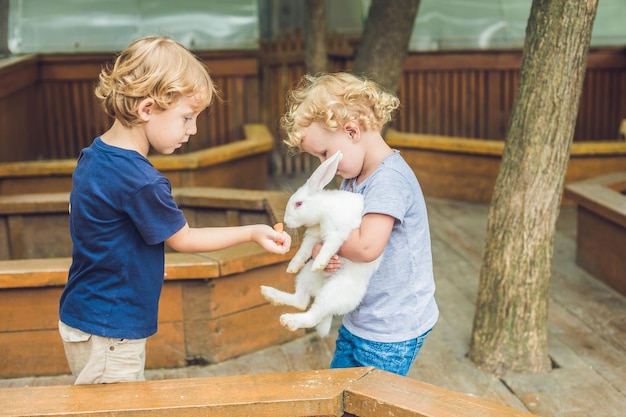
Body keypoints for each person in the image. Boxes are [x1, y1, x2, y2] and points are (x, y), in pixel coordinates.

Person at [58, 35, 291, 385]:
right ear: (147, 109)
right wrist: (253, 232)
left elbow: (103, 231)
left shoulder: (94, 155)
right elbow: (185, 239)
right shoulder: (142, 181)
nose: (193, 129)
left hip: (83, 316)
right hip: (111, 331)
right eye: (186, 117)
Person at [280, 72, 438, 376]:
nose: (324, 164)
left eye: (324, 153)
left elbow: (366, 247)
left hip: (392, 326)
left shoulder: (388, 181)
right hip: (362, 317)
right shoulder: (352, 178)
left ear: (352, 132)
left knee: (371, 401)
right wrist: (328, 258)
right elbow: (347, 243)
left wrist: (317, 237)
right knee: (339, 391)